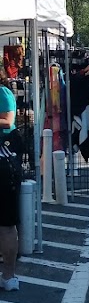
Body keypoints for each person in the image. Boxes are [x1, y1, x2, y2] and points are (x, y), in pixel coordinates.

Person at [0, 67, 22, 291]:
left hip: (4, 166)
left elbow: (8, 121)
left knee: (6, 224)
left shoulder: (3, 93)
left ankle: (9, 276)